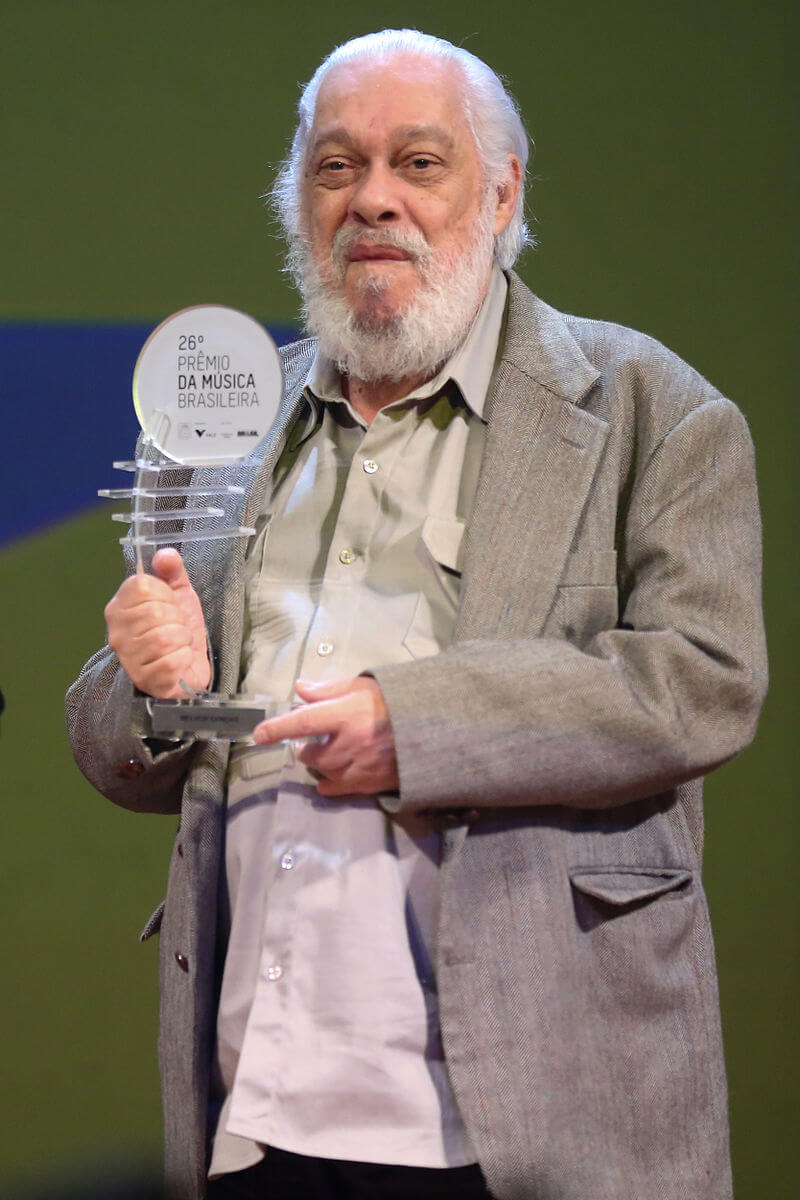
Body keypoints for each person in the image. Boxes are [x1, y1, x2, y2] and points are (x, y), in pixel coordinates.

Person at [66, 28, 767, 1200]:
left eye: (418, 163)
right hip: (254, 1106)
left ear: (502, 193)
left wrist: (419, 723)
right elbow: (117, 740)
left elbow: (700, 678)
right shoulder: (223, 429)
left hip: (524, 1119)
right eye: (334, 168)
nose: (370, 200)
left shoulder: (653, 408)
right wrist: (148, 687)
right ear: (296, 203)